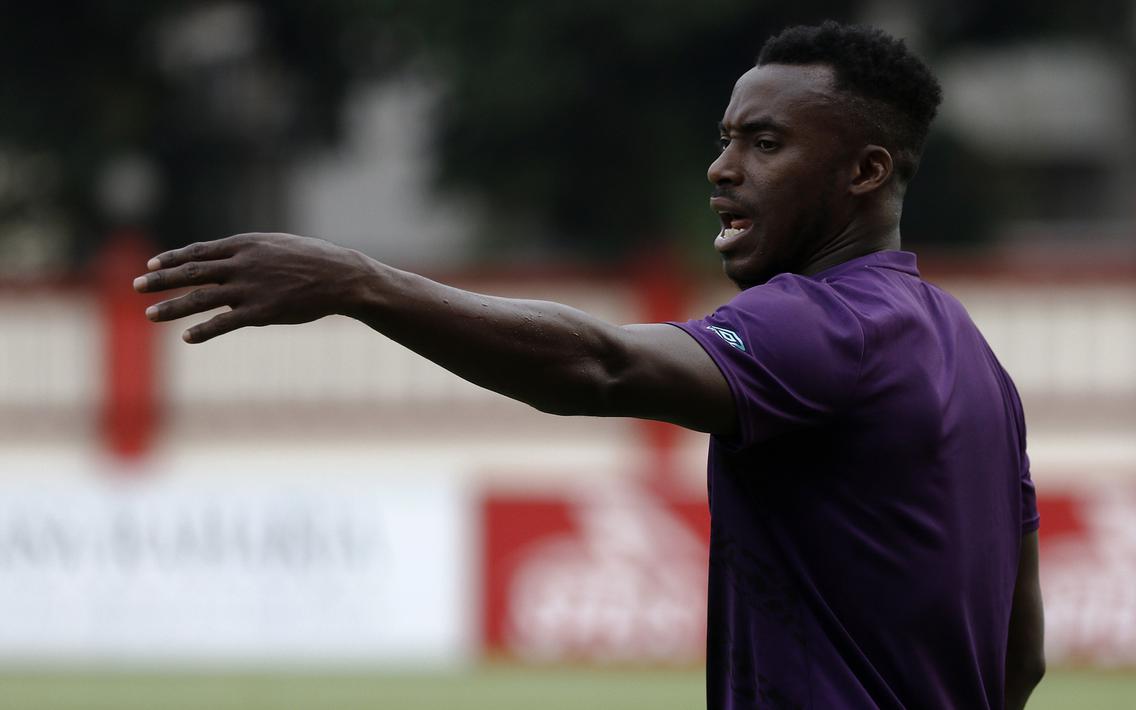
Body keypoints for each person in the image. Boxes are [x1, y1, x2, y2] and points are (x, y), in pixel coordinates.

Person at [133, 21, 1044, 710]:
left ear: (865, 171)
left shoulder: (822, 324)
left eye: (764, 144)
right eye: (725, 138)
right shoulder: (971, 357)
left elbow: (600, 368)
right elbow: (1021, 656)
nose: (721, 169)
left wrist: (358, 283)